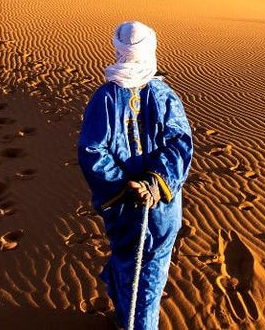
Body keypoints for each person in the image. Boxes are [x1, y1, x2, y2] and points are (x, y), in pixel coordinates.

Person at [78, 21, 193, 330]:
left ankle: (125, 315)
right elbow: (180, 145)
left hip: (140, 206)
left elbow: (93, 151)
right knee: (148, 277)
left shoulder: (107, 97)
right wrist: (136, 188)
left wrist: (150, 184)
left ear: (118, 52)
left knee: (133, 265)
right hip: (142, 207)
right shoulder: (161, 95)